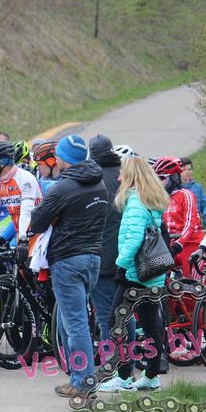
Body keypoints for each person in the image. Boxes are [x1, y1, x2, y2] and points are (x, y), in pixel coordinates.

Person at [28, 135, 108, 397]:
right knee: (73, 318)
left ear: (63, 159)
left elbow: (37, 221)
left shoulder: (63, 188)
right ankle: (78, 375)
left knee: (76, 323)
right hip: (93, 258)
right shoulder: (99, 185)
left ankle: (83, 381)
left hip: (68, 259)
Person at [97, 155, 171, 393]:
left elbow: (134, 239)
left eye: (122, 173)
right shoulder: (150, 200)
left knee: (115, 322)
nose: (118, 177)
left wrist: (120, 264)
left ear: (130, 176)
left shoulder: (135, 202)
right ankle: (151, 375)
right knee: (152, 324)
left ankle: (124, 375)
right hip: (152, 273)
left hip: (135, 274)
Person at [88, 135, 122, 343]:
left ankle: (113, 363)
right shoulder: (125, 175)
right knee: (123, 311)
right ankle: (128, 359)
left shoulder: (94, 178)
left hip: (102, 254)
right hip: (127, 254)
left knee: (104, 314)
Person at [152, 156, 203, 277]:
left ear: (174, 177)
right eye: (157, 178)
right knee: (160, 282)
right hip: (169, 245)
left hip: (189, 243)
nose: (159, 182)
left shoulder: (186, 195)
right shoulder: (159, 199)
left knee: (191, 288)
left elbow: (190, 224)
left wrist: (178, 244)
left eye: (162, 177)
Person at [180, 157, 206, 226]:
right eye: (184, 169)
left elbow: (205, 205)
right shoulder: (176, 189)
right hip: (181, 225)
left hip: (197, 224)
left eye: (189, 169)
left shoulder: (198, 187)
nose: (187, 172)